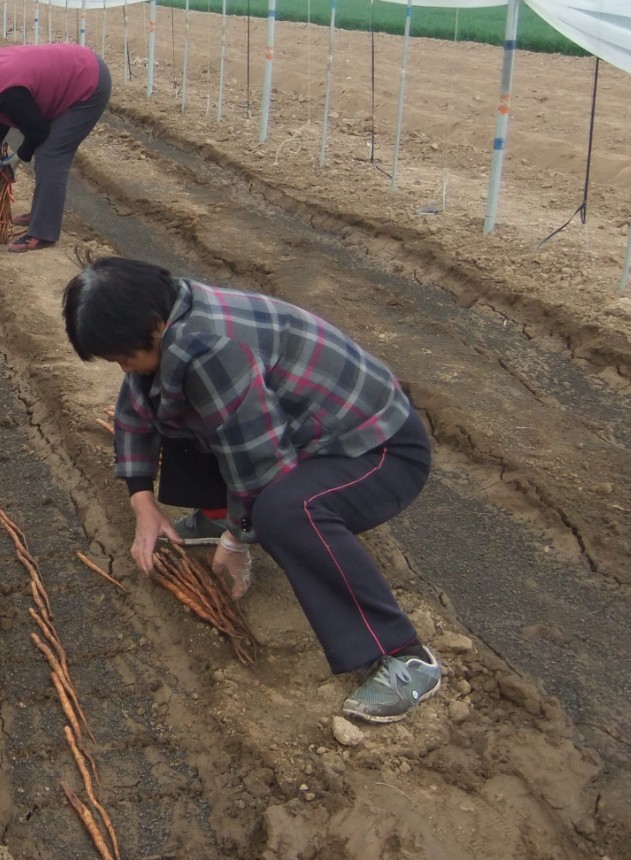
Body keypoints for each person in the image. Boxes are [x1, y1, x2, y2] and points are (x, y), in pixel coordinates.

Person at [62, 256, 442, 725]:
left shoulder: (211, 348)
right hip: (309, 436)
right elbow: (137, 410)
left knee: (284, 510)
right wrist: (142, 499)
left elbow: (261, 463)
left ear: (155, 326)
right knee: (173, 404)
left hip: (377, 448)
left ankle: (404, 654)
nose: (122, 367)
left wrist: (238, 540)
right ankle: (222, 512)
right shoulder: (169, 319)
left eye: (123, 356)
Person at [0, 43, 110, 253]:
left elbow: (38, 131)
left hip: (89, 83)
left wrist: (16, 159)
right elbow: (0, 108)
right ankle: (39, 215)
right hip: (78, 68)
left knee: (50, 153)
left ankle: (43, 233)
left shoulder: (9, 90)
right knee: (45, 150)